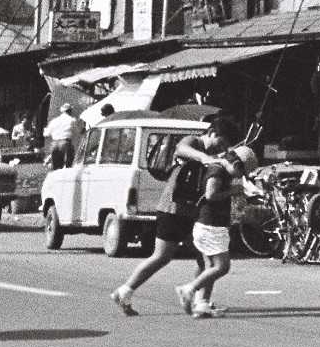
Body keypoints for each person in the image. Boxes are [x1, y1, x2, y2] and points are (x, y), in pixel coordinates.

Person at [110, 115, 235, 316]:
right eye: (222, 142)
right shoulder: (194, 141)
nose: (222, 148)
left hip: (191, 212)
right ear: (212, 133)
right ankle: (125, 291)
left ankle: (200, 301)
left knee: (205, 259)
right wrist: (205, 158)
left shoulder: (215, 153)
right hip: (173, 209)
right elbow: (181, 149)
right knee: (162, 256)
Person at [181, 145, 257, 318]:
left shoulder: (221, 170)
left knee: (209, 266)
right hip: (210, 225)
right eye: (241, 172)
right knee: (222, 267)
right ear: (236, 164)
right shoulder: (217, 171)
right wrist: (233, 191)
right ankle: (189, 289)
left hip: (209, 224)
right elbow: (210, 195)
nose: (239, 177)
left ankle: (202, 305)